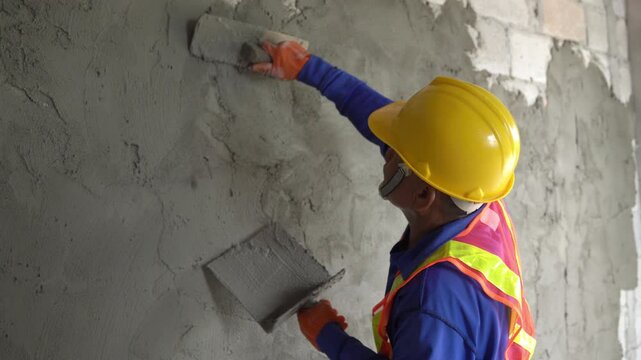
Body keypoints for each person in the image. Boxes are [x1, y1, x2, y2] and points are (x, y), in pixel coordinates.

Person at [249, 41, 536, 360]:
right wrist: (308, 69)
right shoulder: (474, 191)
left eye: (394, 154)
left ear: (424, 194)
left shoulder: (431, 305)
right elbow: (397, 130)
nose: (386, 152)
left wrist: (329, 338)